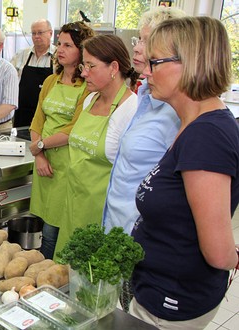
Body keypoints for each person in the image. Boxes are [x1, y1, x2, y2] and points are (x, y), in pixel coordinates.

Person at [130, 16, 239, 329]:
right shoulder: (192, 124)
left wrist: (232, 256)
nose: (146, 71)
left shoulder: (206, 136)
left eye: (155, 62)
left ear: (191, 63)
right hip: (157, 288)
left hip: (173, 300)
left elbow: (219, 254)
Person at [101, 7, 185, 313]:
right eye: (138, 38)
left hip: (140, 240)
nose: (136, 47)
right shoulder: (147, 96)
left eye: (146, 41)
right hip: (117, 229)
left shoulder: (177, 111)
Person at [54, 34, 138, 256]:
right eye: (83, 65)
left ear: (113, 67)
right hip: (73, 205)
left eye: (91, 66)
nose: (83, 73)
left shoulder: (131, 109)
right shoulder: (90, 100)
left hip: (103, 214)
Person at [27, 21, 94, 260]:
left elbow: (73, 129)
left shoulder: (87, 87)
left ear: (82, 51)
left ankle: (50, 274)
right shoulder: (50, 82)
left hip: (65, 165)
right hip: (44, 162)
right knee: (42, 221)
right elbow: (37, 121)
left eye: (68, 45)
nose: (60, 49)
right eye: (59, 44)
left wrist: (41, 146)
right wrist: (40, 155)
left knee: (54, 227)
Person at [10, 19, 55, 128]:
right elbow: (9, 80)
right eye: (33, 33)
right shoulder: (21, 55)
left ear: (50, 33)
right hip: (22, 113)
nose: (36, 36)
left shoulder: (58, 56)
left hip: (47, 115)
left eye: (40, 32)